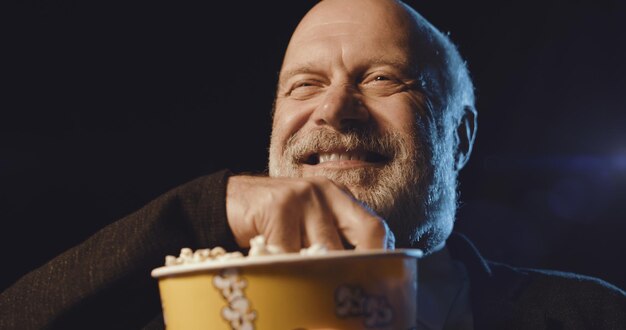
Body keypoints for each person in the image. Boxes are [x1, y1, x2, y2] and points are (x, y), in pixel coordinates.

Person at [1, 0, 624, 329]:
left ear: (459, 138)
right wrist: (207, 209)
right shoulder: (174, 318)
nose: (334, 109)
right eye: (303, 86)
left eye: (381, 78)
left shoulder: (592, 317)